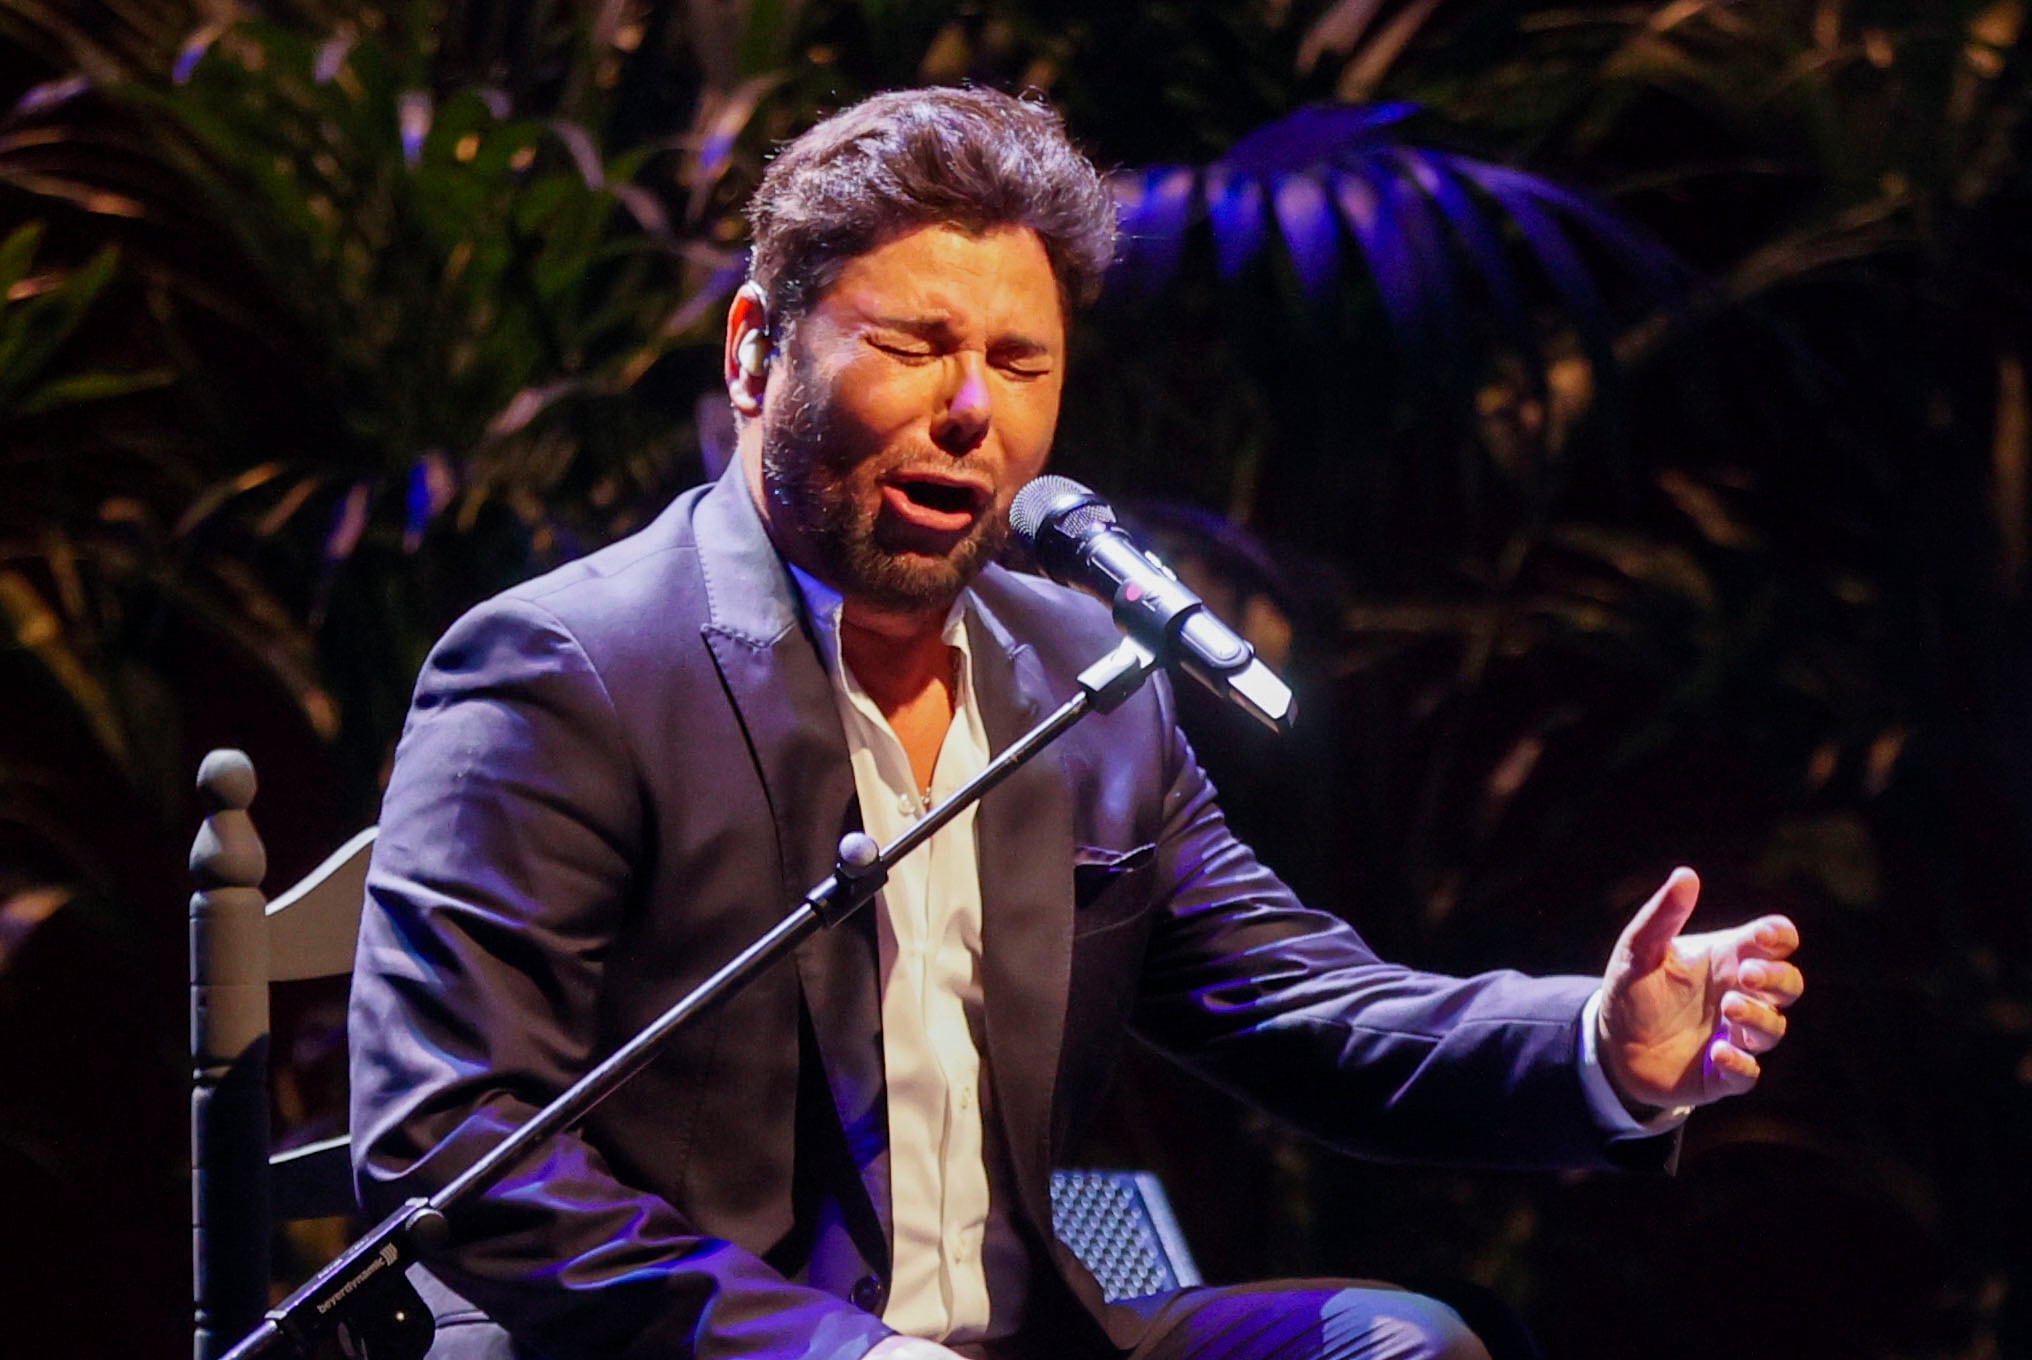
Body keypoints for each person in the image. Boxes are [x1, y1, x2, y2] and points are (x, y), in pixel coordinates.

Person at [349, 87, 1804, 1360]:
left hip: (1032, 1331)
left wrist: (1598, 1048)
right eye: (914, 345)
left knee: (1396, 1345)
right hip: (706, 1350)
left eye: (1021, 363)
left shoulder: (1082, 679)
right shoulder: (567, 668)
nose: (972, 409)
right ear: (753, 354)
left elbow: (1304, 1010)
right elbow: (459, 1143)